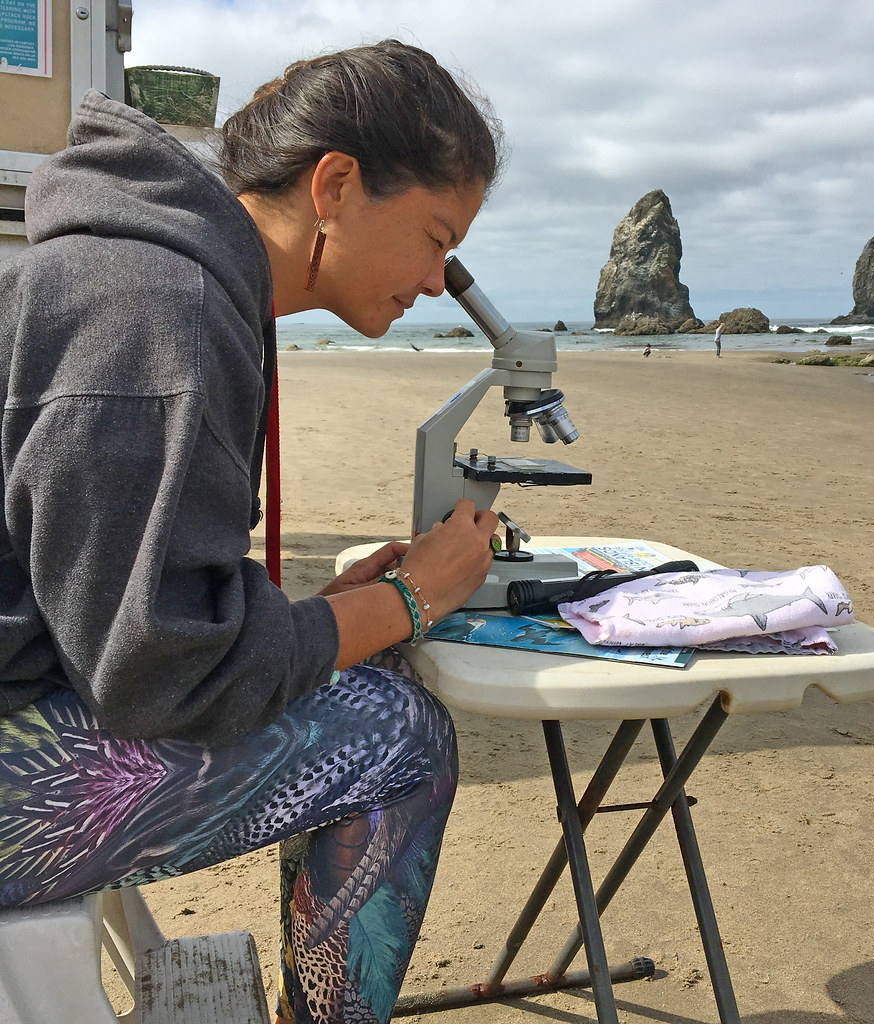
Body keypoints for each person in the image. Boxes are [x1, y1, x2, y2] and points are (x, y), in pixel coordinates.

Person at [0, 40, 503, 1024]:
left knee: (360, 681)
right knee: (401, 735)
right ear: (336, 183)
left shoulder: (141, 273)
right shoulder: (163, 309)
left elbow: (110, 603)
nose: (439, 280)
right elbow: (164, 675)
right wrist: (406, 601)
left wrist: (333, 611)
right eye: (433, 237)